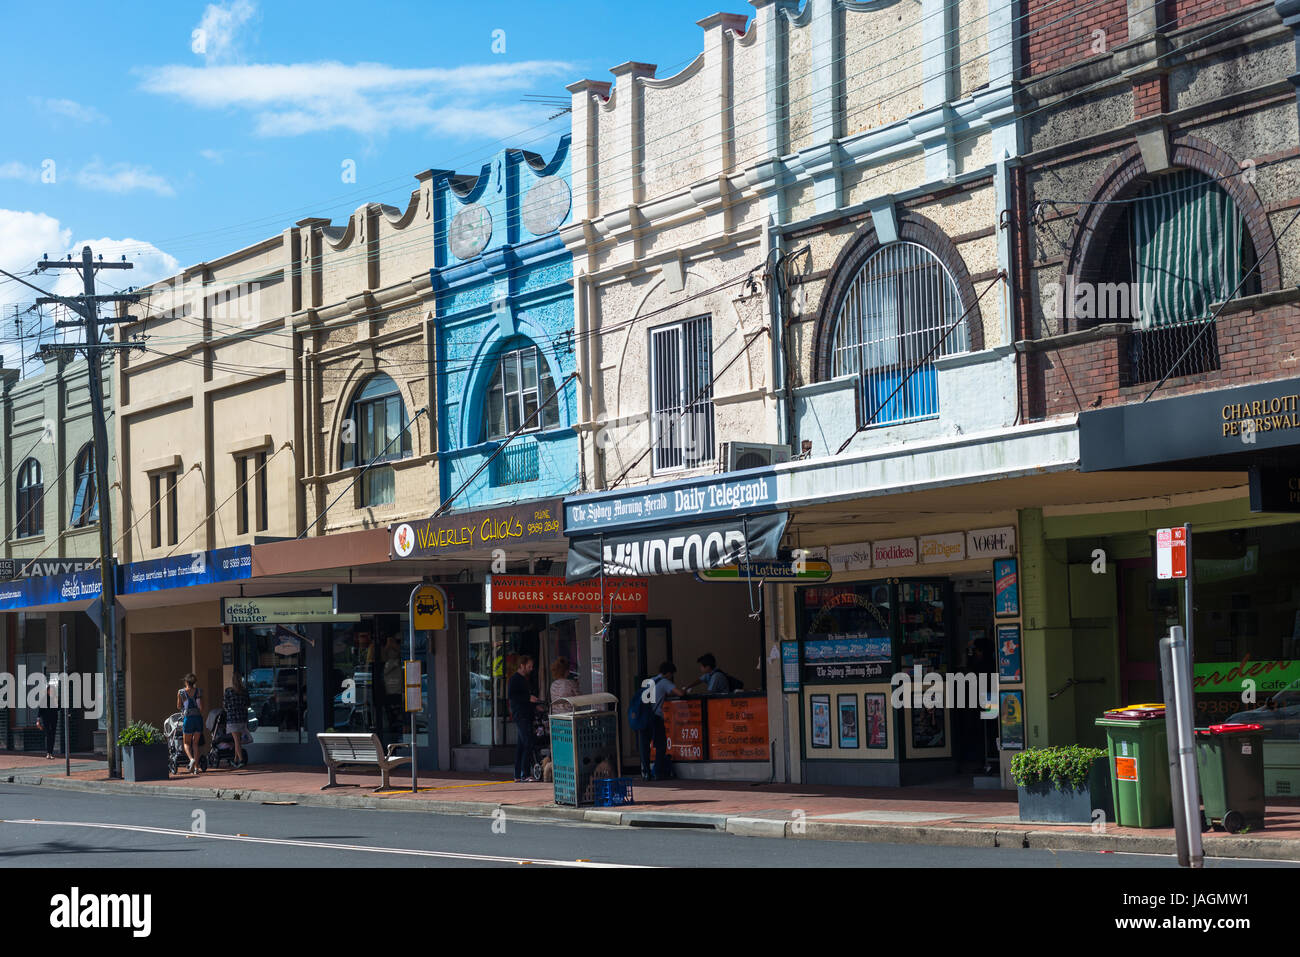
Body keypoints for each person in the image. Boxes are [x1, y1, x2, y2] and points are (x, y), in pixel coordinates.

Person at [508, 655, 542, 782]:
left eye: (531, 666)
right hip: (520, 715)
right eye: (529, 666)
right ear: (521, 665)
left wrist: (535, 705)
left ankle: (517, 775)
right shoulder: (514, 679)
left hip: (526, 714)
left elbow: (523, 697)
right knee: (528, 742)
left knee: (522, 745)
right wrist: (528, 699)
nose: (531, 669)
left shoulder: (523, 679)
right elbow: (512, 696)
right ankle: (525, 774)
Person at [650, 661, 684, 781]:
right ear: (669, 673)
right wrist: (684, 690)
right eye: (672, 674)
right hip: (656, 717)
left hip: (646, 717)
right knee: (661, 745)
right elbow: (679, 693)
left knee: (647, 745)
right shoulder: (664, 682)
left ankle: (647, 772)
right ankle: (658, 772)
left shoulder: (651, 681)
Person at [177, 673, 204, 774]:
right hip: (198, 719)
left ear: (186, 682)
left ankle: (191, 759)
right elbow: (201, 707)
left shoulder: (181, 692)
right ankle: (196, 768)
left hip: (188, 719)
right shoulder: (198, 691)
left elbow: (179, 706)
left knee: (186, 743)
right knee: (195, 743)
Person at [223, 672, 251, 768]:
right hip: (242, 718)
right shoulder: (244, 691)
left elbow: (225, 705)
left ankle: (242, 760)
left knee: (237, 741)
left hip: (232, 718)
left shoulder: (228, 691)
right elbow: (248, 705)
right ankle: (235, 759)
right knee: (237, 740)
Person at [36, 674, 59, 760]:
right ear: (47, 691)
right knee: (48, 735)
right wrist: (38, 720)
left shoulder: (55, 699)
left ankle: (51, 753)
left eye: (53, 690)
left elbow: (58, 709)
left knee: (52, 735)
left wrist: (57, 702)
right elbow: (40, 710)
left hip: (54, 719)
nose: (51, 692)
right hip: (46, 719)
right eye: (50, 690)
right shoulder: (44, 699)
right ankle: (48, 753)